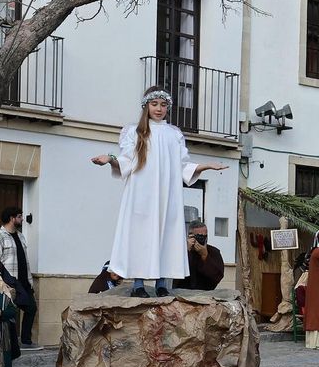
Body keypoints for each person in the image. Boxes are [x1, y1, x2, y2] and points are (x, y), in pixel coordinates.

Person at [93, 86, 228, 298]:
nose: (159, 109)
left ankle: (162, 283)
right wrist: (110, 159)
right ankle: (138, 284)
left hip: (167, 196)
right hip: (141, 195)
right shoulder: (134, 132)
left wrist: (206, 166)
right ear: (146, 106)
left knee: (166, 233)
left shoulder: (174, 134)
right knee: (141, 236)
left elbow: (183, 165)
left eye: (163, 105)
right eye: (154, 104)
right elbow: (127, 160)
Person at [0, 206, 39, 348]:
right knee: (9, 313)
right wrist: (0, 281)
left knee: (31, 308)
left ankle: (25, 341)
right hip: (10, 281)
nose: (21, 219)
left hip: (24, 281)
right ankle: (8, 344)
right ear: (12, 218)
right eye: (19, 216)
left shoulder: (20, 235)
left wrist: (29, 281)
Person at [176, 218, 226, 291]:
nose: (202, 238)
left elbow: (217, 277)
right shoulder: (180, 251)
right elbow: (176, 273)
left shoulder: (213, 252)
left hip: (206, 293)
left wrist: (205, 256)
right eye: (199, 236)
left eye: (205, 236)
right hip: (181, 292)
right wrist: (187, 251)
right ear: (191, 236)